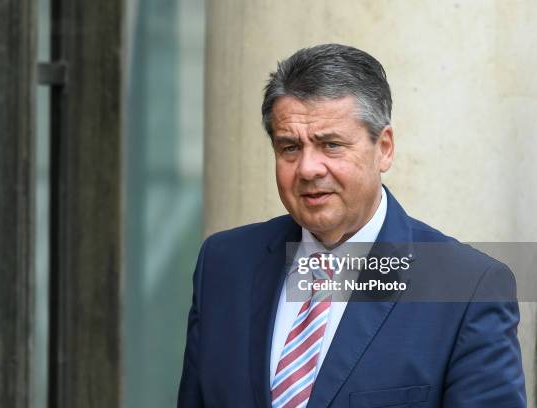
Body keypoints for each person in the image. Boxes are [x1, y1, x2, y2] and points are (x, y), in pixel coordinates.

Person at [178, 44, 526, 407]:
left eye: (330, 145)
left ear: (384, 148)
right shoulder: (223, 264)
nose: (308, 169)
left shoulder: (468, 289)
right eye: (290, 148)